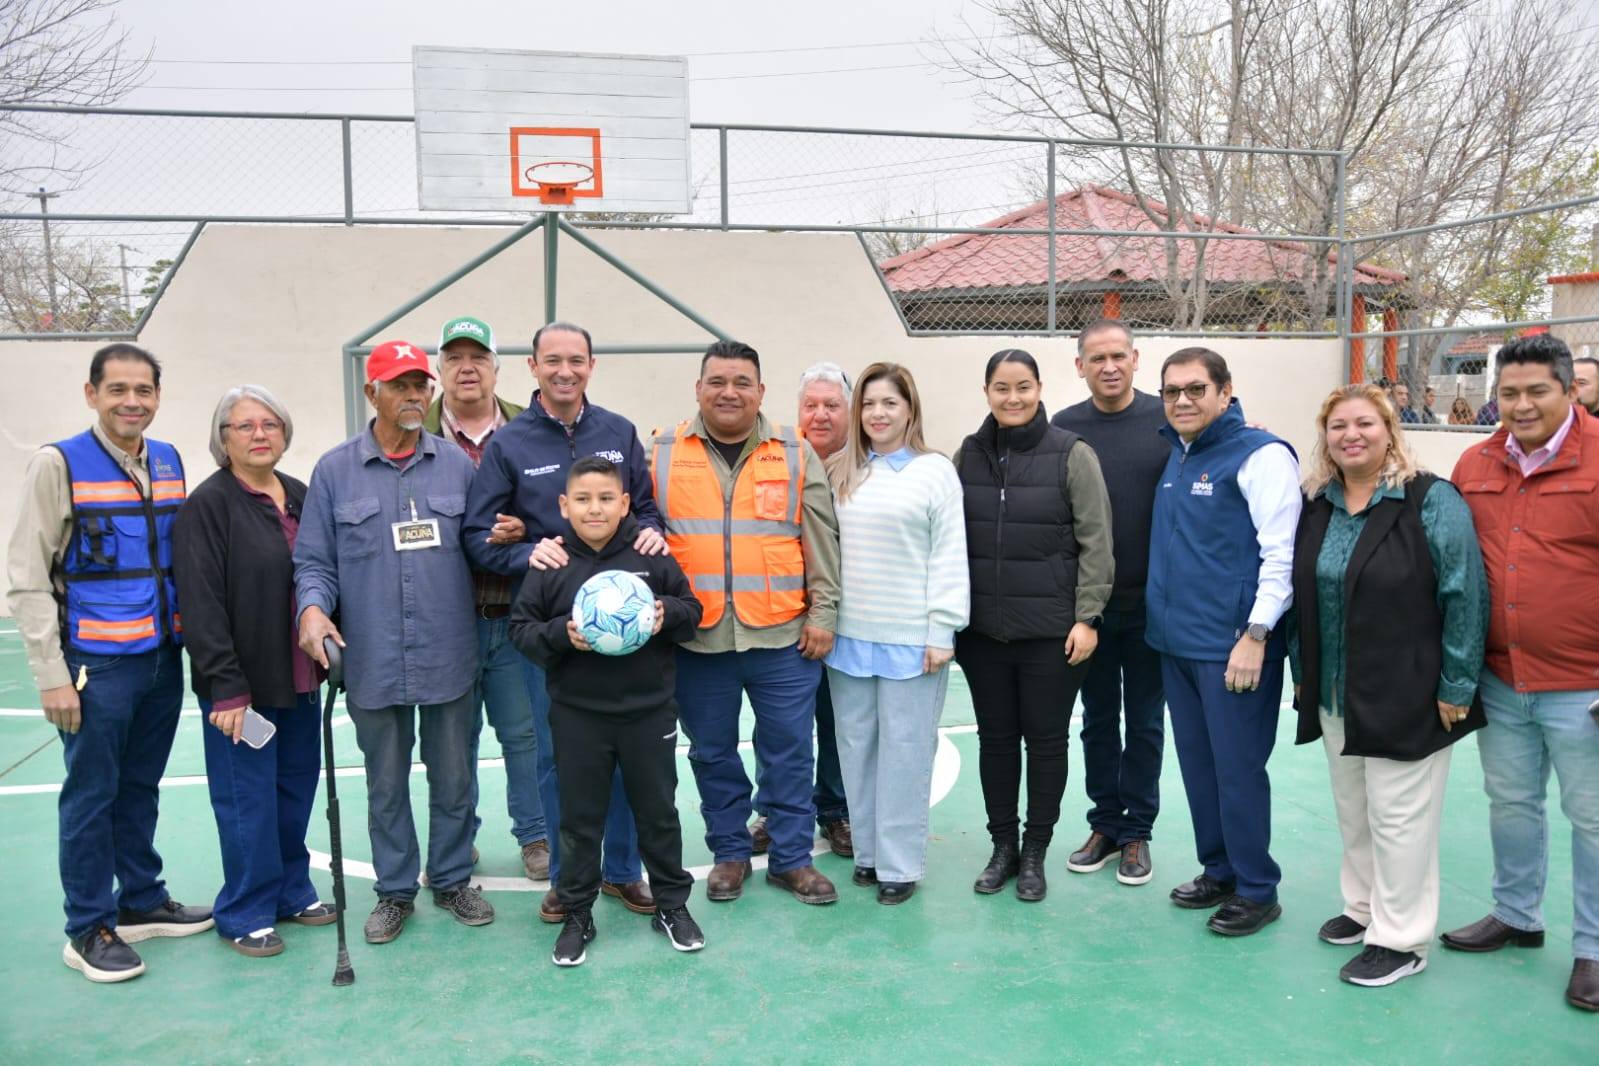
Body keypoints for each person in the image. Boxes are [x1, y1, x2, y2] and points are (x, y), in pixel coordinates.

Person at [5, 343, 214, 983]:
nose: (132, 401)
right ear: (91, 393)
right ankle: (87, 926)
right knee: (91, 794)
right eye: (118, 389)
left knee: (139, 786)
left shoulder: (172, 460)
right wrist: (52, 675)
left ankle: (141, 899)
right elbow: (26, 576)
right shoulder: (57, 463)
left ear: (157, 396)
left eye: (144, 390)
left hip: (159, 659)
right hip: (96, 665)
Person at [1288, 384, 1489, 987]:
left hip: (1409, 690)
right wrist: (1305, 676)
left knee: (1400, 818)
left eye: (1365, 424)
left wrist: (1458, 683)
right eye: (1338, 426)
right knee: (1356, 811)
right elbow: (1306, 597)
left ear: (1390, 429)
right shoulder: (1318, 502)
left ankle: (1401, 939)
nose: (1351, 435)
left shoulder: (1430, 499)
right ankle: (1363, 908)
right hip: (1335, 691)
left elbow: (1464, 593)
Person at [294, 339, 492, 945]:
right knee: (384, 781)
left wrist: (505, 535)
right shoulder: (333, 471)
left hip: (449, 651)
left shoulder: (458, 466)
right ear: (370, 392)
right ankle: (395, 891)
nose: (413, 396)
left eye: (420, 385)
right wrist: (311, 611)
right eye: (399, 385)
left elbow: (482, 545)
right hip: (373, 654)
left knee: (455, 775)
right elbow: (315, 561)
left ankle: (454, 877)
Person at [464, 320, 662, 924]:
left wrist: (652, 534)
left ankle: (624, 872)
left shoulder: (618, 431)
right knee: (558, 759)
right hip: (553, 635)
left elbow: (647, 509)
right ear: (533, 367)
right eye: (553, 360)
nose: (565, 371)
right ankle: (566, 877)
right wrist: (530, 552)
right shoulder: (509, 444)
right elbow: (476, 535)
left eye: (576, 359)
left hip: (626, 629)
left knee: (628, 756)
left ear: (591, 366)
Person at [650, 340, 843, 905]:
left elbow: (821, 540)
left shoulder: (794, 451)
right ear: (698, 388)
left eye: (741, 382)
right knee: (711, 753)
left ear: (760, 391)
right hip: (697, 640)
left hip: (783, 636)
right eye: (717, 381)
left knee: (788, 751)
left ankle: (791, 859)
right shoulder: (661, 452)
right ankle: (730, 853)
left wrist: (824, 612)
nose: (728, 392)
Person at [1443, 334, 1599, 1013]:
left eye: (1536, 390)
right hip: (1501, 680)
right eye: (1508, 392)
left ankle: (1592, 949)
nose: (1521, 404)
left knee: (1591, 819)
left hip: (1583, 685)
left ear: (1569, 390)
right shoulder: (1473, 462)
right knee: (1510, 804)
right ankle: (1515, 915)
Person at [510, 458, 705, 966]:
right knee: (579, 820)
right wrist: (562, 635)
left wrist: (666, 615)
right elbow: (522, 630)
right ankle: (578, 913)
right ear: (564, 506)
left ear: (623, 504)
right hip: (579, 716)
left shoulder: (650, 553)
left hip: (648, 711)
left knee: (658, 813)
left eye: (605, 499)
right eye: (582, 499)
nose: (593, 509)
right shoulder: (550, 564)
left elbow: (693, 611)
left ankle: (672, 905)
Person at [173, 385, 336, 957]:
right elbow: (201, 602)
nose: (259, 434)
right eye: (244, 426)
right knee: (247, 801)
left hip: (298, 676)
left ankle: (292, 890)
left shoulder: (298, 494)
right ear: (223, 439)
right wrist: (226, 687)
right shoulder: (208, 505)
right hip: (242, 685)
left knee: (295, 789)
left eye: (269, 424)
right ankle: (245, 909)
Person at [1148, 347, 1301, 937]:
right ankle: (1221, 870)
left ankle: (1258, 888)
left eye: (1194, 389)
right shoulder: (1178, 454)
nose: (1182, 400)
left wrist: (1256, 634)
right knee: (1199, 769)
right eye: (1171, 391)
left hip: (1233, 648)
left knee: (1237, 771)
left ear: (1224, 391)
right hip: (1177, 644)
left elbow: (1280, 557)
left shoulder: (1260, 455)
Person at [956, 349, 1113, 901]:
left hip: (1052, 634)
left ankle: (1036, 852)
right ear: (987, 392)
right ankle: (1003, 848)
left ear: (1040, 388)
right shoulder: (968, 456)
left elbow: (1097, 542)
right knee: (996, 742)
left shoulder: (1072, 453)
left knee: (1046, 744)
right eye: (1002, 388)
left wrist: (1087, 617)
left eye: (1023, 387)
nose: (1013, 398)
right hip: (983, 635)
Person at [825, 363, 968, 904]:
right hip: (849, 636)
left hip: (913, 638)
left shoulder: (935, 472)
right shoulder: (841, 471)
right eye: (868, 404)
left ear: (910, 409)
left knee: (906, 751)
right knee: (856, 748)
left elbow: (949, 552)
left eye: (890, 403)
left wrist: (942, 629)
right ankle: (867, 853)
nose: (878, 414)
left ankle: (900, 865)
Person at [422, 315, 549, 882]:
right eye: (454, 358)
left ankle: (537, 835)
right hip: (447, 619)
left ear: (498, 368)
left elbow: (560, 504)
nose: (466, 368)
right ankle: (456, 842)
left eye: (478, 357)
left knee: (525, 734)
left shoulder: (535, 428)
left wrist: (526, 529)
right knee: (452, 740)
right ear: (439, 371)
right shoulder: (412, 433)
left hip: (517, 612)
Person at [1054, 319, 1168, 887]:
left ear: (1135, 358)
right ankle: (1104, 823)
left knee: (1145, 721)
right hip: (1090, 610)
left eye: (1118, 356)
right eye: (1096, 358)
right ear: (1080, 365)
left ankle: (1137, 832)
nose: (1108, 366)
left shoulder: (1167, 420)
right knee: (1098, 720)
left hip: (1153, 608)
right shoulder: (1065, 428)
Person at [750, 362, 855, 859]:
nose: (820, 415)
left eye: (831, 405)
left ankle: (835, 811)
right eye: (810, 405)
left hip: (847, 617)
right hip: (784, 617)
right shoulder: (777, 458)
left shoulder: (865, 465)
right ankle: (773, 810)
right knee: (779, 725)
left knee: (835, 719)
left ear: (848, 411)